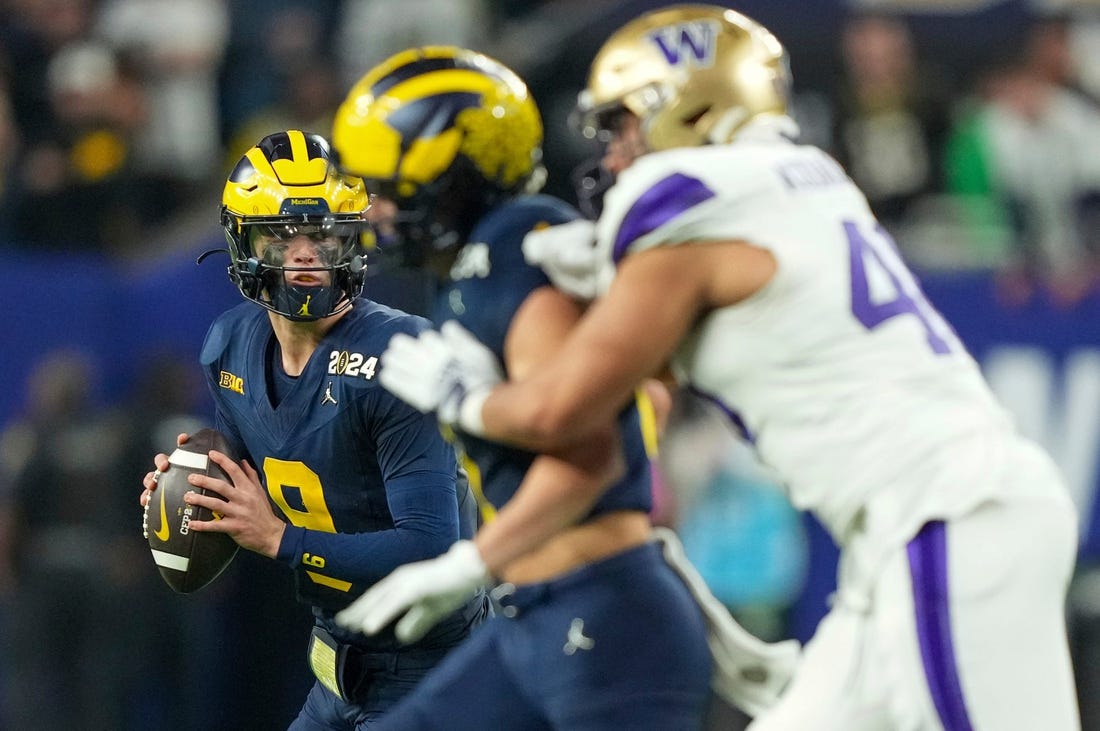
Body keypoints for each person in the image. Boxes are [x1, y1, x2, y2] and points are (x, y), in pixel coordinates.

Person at [363, 7, 1082, 731]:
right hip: (915, 536)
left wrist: (465, 399)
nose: (613, 155)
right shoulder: (798, 176)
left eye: (622, 126)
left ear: (683, 108)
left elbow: (562, 410)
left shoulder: (685, 207)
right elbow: (645, 399)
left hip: (945, 517)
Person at [328, 45, 767, 730]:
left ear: (455, 175)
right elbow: (643, 400)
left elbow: (592, 456)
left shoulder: (518, 252)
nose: (377, 209)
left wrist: (469, 563)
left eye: (390, 188)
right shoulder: (468, 268)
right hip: (537, 620)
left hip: (605, 622)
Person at [138, 129, 488, 730]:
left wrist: (281, 540)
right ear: (243, 241)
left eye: (321, 233)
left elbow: (433, 547)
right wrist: (195, 487)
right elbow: (253, 473)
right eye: (281, 234)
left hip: (433, 672)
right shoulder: (231, 345)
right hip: (335, 671)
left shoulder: (397, 356)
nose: (304, 252)